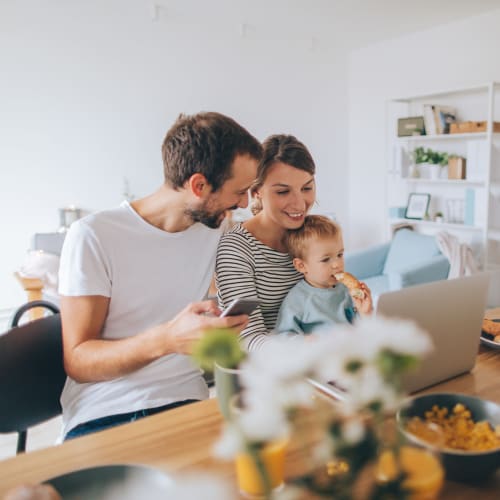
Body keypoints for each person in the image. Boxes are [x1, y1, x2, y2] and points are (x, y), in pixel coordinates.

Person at [58, 112, 262, 439]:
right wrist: (167, 339)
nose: (244, 202)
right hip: (107, 411)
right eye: (240, 191)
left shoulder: (216, 228)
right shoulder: (94, 235)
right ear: (199, 185)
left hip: (187, 403)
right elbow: (78, 361)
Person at [215, 134, 316, 351]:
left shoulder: (313, 235)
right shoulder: (236, 248)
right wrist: (309, 346)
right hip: (266, 371)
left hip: (318, 363)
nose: (300, 203)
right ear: (256, 192)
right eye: (283, 191)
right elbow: (248, 339)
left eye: (307, 188)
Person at [274, 215, 373, 335]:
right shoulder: (297, 300)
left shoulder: (346, 290)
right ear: (301, 266)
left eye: (340, 255)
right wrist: (306, 341)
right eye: (326, 259)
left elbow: (361, 329)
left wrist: (365, 313)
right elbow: (283, 337)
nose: (337, 264)